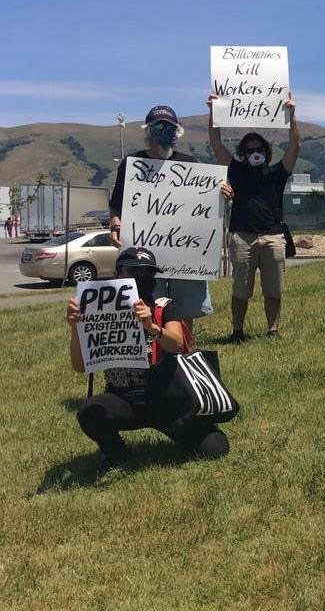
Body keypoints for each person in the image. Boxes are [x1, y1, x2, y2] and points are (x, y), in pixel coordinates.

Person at [68, 247, 230, 470]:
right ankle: (117, 453)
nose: (142, 278)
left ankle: (185, 431)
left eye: (148, 273)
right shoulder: (97, 309)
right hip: (125, 399)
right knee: (90, 411)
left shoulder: (164, 306)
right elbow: (79, 366)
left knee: (215, 448)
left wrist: (152, 327)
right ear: (117, 274)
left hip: (167, 398)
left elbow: (177, 344)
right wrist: (76, 327)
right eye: (135, 272)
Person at [107, 105, 231, 322]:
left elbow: (204, 203)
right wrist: (115, 225)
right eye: (159, 127)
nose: (165, 132)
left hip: (185, 253)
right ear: (148, 130)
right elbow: (117, 205)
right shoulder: (132, 164)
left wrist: (223, 196)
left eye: (170, 128)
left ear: (178, 131)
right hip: (144, 253)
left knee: (186, 308)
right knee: (147, 304)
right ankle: (153, 342)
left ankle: (184, 343)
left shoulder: (190, 164)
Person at [206, 94, 300, 342]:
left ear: (265, 151)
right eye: (250, 150)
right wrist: (214, 112)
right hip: (242, 237)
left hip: (273, 236)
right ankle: (237, 331)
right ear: (244, 153)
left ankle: (273, 330)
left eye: (259, 149)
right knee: (241, 289)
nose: (255, 153)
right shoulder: (236, 170)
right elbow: (215, 143)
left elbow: (295, 146)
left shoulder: (278, 171)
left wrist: (292, 115)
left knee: (274, 288)